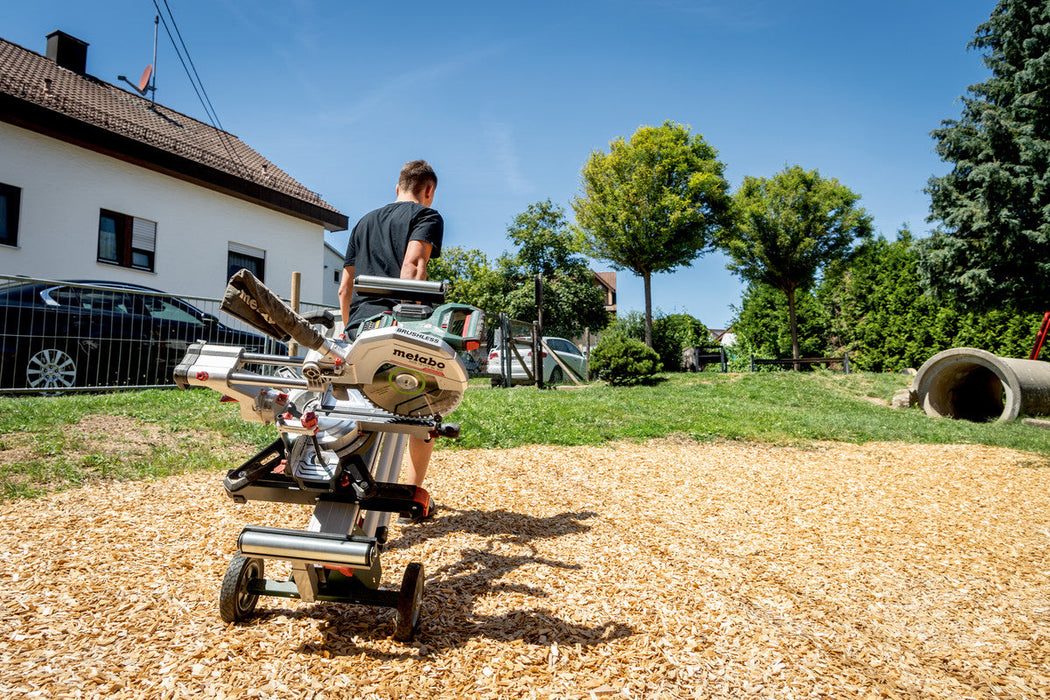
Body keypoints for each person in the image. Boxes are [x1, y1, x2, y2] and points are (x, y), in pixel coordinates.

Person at [337, 160, 443, 504]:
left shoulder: (365, 221)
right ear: (427, 190)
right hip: (394, 322)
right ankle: (411, 493)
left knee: (363, 411)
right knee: (422, 409)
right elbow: (413, 266)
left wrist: (347, 329)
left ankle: (354, 490)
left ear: (397, 187)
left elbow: (345, 286)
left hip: (357, 329)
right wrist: (411, 326)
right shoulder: (426, 216)